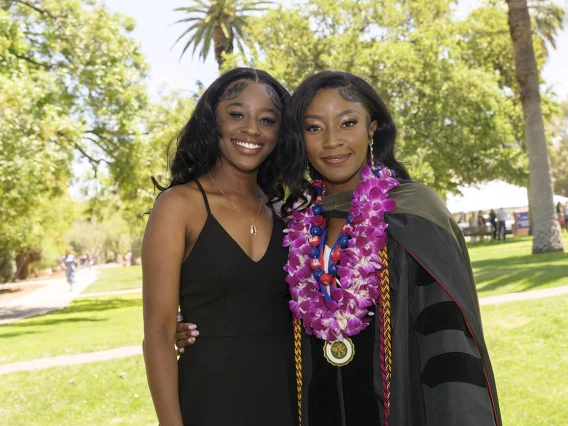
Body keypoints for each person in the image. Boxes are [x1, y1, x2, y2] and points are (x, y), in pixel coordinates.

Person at [178, 71, 501, 426]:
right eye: (314, 128)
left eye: (348, 123)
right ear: (298, 138)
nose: (332, 142)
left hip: (403, 411)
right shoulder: (294, 222)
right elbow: (261, 303)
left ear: (372, 128)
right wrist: (195, 325)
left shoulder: (413, 214)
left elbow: (448, 342)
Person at [142, 68, 296, 426]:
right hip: (209, 399)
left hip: (288, 399)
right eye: (237, 114)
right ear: (213, 120)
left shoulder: (288, 212)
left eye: (268, 119)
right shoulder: (179, 205)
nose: (252, 129)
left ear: (280, 133)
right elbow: (160, 334)